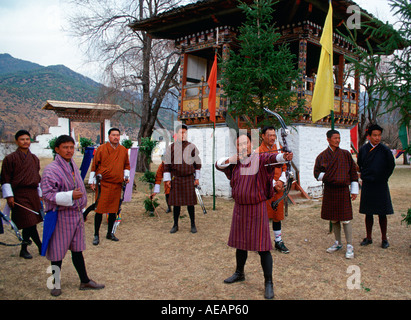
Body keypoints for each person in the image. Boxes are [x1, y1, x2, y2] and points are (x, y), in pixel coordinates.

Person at [216, 132, 293, 299]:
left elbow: (274, 159)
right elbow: (218, 164)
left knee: (263, 247)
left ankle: (268, 283)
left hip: (257, 208)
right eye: (239, 144)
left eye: (246, 144)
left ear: (252, 145)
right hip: (240, 209)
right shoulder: (234, 163)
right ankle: (239, 273)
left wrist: (284, 156)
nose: (243, 147)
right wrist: (232, 159)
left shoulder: (260, 159)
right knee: (240, 244)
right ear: (236, 147)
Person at [41, 135, 104, 296]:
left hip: (75, 215)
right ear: (57, 149)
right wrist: (69, 196)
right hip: (61, 215)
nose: (69, 150)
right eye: (65, 147)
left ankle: (84, 280)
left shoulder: (72, 165)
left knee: (77, 250)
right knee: (56, 252)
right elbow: (47, 195)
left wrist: (82, 209)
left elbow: (79, 188)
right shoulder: (51, 169)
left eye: (71, 147)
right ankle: (55, 283)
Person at [314, 129, 359, 259]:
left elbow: (353, 172)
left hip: (343, 190)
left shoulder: (345, 154)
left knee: (345, 219)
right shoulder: (322, 156)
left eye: (339, 138)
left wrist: (354, 189)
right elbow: (317, 174)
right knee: (334, 218)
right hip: (330, 190)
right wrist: (330, 176)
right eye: (335, 138)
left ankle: (349, 245)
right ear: (328, 139)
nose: (338, 140)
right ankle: (338, 242)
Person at [1, 130, 43, 259]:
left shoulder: (34, 159)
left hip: (32, 194)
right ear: (16, 141)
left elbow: (37, 177)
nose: (25, 142)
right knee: (29, 222)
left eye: (27, 139)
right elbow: (5, 178)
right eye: (22, 139)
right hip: (19, 194)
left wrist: (40, 194)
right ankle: (41, 246)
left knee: (29, 223)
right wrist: (9, 196)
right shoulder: (10, 159)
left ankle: (24, 249)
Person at [88, 128, 130, 245]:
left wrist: (126, 176)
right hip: (103, 184)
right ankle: (96, 234)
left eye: (117, 135)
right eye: (113, 135)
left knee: (113, 210)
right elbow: (94, 166)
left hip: (117, 184)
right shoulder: (101, 149)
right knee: (99, 210)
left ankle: (110, 233)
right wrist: (93, 181)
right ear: (109, 136)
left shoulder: (123, 150)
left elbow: (127, 165)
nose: (116, 137)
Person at [357, 124, 395, 249]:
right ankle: (368, 237)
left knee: (382, 213)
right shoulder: (363, 149)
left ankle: (384, 238)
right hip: (368, 184)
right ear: (369, 136)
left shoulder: (385, 150)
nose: (377, 138)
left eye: (379, 135)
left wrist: (384, 177)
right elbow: (360, 164)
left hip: (381, 184)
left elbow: (391, 166)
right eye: (374, 135)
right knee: (368, 212)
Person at [255, 126, 289, 253]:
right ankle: (260, 242)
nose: (273, 138)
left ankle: (278, 241)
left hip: (278, 188)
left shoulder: (278, 149)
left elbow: (285, 167)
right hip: (265, 189)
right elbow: (258, 172)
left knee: (277, 215)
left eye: (274, 135)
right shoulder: (258, 151)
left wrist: (281, 181)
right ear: (263, 136)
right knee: (262, 216)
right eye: (270, 135)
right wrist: (273, 183)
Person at [163, 124, 201, 233]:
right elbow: (167, 165)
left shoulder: (192, 147)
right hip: (177, 179)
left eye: (185, 132)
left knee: (190, 204)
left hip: (189, 178)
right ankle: (175, 225)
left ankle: (193, 224)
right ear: (176, 134)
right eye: (181, 132)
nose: (183, 134)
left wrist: (197, 178)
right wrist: (167, 179)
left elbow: (197, 163)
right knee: (176, 204)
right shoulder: (171, 148)